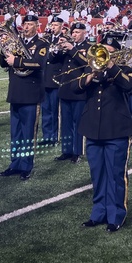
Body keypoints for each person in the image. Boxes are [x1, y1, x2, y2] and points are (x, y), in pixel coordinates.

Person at [65, 34, 132, 232]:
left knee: (115, 175)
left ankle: (116, 215)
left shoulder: (125, 68)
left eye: (110, 53)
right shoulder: (90, 67)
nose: (104, 56)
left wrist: (112, 66)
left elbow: (129, 85)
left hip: (116, 129)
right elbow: (74, 87)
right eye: (103, 51)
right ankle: (98, 213)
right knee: (97, 174)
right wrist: (90, 76)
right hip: (93, 128)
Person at [0, 14, 47, 180]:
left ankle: (26, 166)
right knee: (16, 133)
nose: (26, 27)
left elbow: (39, 64)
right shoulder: (17, 42)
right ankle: (15, 164)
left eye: (30, 24)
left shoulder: (41, 44)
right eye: (25, 24)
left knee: (27, 133)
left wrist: (16, 61)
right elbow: (4, 63)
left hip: (31, 95)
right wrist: (4, 48)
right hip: (15, 93)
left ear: (37, 26)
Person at [49, 22, 91, 163]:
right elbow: (52, 60)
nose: (74, 34)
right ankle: (66, 151)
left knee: (78, 122)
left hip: (79, 89)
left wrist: (72, 49)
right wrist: (57, 49)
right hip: (65, 88)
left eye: (78, 32)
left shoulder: (89, 48)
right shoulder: (66, 46)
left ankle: (77, 151)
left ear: (85, 33)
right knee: (65, 123)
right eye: (73, 32)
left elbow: (88, 64)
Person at [40, 16, 65, 146]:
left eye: (56, 25)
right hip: (45, 78)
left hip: (56, 79)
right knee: (46, 110)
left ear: (61, 26)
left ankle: (55, 137)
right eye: (52, 25)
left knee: (55, 110)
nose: (53, 27)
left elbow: (56, 57)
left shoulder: (64, 40)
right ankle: (47, 136)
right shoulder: (47, 39)